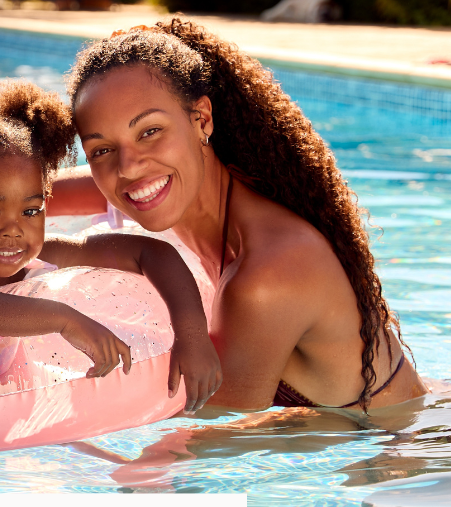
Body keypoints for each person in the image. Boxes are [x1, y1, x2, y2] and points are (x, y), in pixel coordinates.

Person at [51, 19, 427, 410]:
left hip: (388, 456)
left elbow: (214, 447)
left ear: (202, 120)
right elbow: (26, 197)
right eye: (101, 149)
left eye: (149, 132)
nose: (128, 167)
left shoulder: (265, 276)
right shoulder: (175, 180)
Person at [0, 75, 221, 410]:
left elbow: (151, 252)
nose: (13, 229)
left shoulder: (40, 255)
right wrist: (64, 318)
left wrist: (192, 336)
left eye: (31, 210)